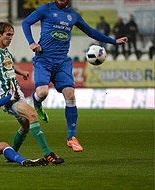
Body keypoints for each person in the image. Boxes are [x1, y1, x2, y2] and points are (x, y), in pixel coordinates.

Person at [21, 0, 128, 152]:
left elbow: (91, 31)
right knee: (42, 93)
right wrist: (31, 42)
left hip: (62, 62)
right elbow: (26, 23)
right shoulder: (45, 9)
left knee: (70, 96)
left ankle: (71, 137)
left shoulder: (73, 15)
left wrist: (113, 41)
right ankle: (37, 102)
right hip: (43, 59)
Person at [0, 22, 64, 164]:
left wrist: (21, 72)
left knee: (25, 126)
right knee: (32, 114)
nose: (11, 38)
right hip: (7, 97)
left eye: (12, 35)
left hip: (17, 94)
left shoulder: (6, 52)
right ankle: (49, 153)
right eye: (8, 35)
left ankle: (10, 155)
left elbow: (10, 66)